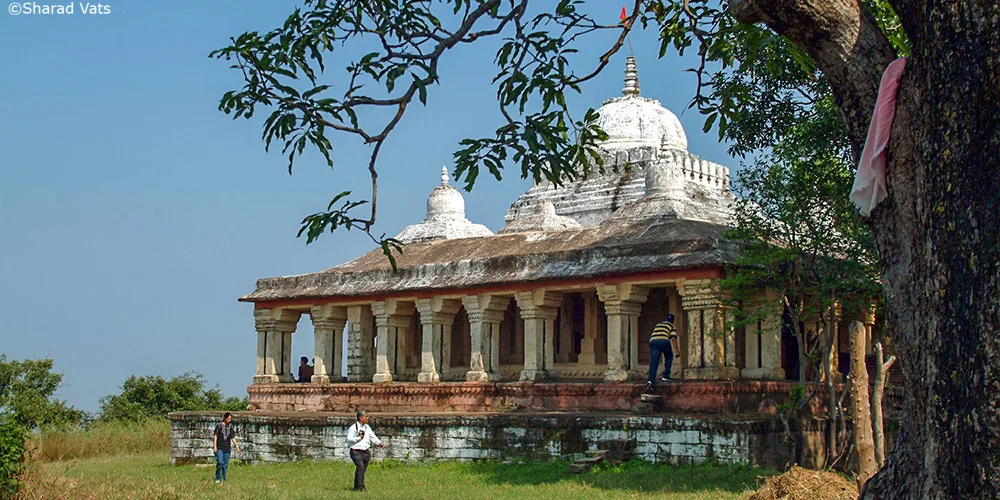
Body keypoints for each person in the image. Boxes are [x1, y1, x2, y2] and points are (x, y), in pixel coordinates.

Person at [346, 410, 384, 491]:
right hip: (356, 451)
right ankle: (360, 486)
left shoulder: (367, 427)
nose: (367, 418)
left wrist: (379, 443)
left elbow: (372, 436)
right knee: (360, 467)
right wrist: (359, 438)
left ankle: (356, 486)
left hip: (365, 451)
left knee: (362, 470)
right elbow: (349, 439)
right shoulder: (353, 428)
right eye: (366, 416)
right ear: (361, 418)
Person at [647, 313, 681, 393]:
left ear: (666, 319)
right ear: (673, 321)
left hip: (653, 341)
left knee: (654, 361)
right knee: (669, 356)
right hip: (664, 341)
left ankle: (650, 381)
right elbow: (673, 339)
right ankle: (665, 375)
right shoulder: (672, 326)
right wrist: (677, 351)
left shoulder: (658, 325)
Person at [213, 412, 240, 483]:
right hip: (220, 447)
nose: (229, 420)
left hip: (227, 448)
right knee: (220, 462)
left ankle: (224, 478)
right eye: (228, 419)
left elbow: (232, 437)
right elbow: (215, 436)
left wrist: (237, 446)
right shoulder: (219, 426)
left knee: (225, 464)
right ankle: (217, 477)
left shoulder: (230, 427)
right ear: (225, 418)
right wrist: (215, 446)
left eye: (230, 419)